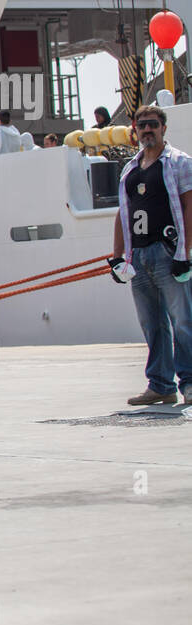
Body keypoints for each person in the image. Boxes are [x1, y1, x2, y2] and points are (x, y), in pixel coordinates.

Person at [110, 104, 192, 406]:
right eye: (142, 125)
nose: (148, 129)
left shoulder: (179, 163)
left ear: (163, 129)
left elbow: (189, 208)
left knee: (183, 321)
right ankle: (160, 385)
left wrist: (184, 253)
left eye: (153, 124)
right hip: (138, 258)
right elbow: (123, 213)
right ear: (136, 129)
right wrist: (117, 257)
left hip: (168, 251)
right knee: (152, 324)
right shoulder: (130, 169)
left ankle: (190, 383)